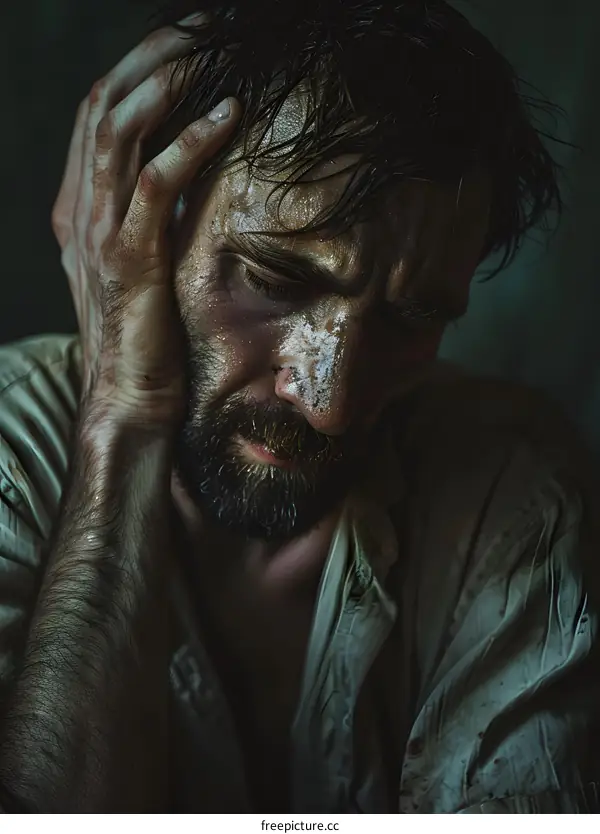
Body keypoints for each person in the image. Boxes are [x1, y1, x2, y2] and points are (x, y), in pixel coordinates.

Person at [0, 0, 598, 813]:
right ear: (140, 227)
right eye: (275, 279)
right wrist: (125, 416)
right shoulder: (11, 457)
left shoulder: (510, 490)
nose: (328, 403)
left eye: (412, 317)